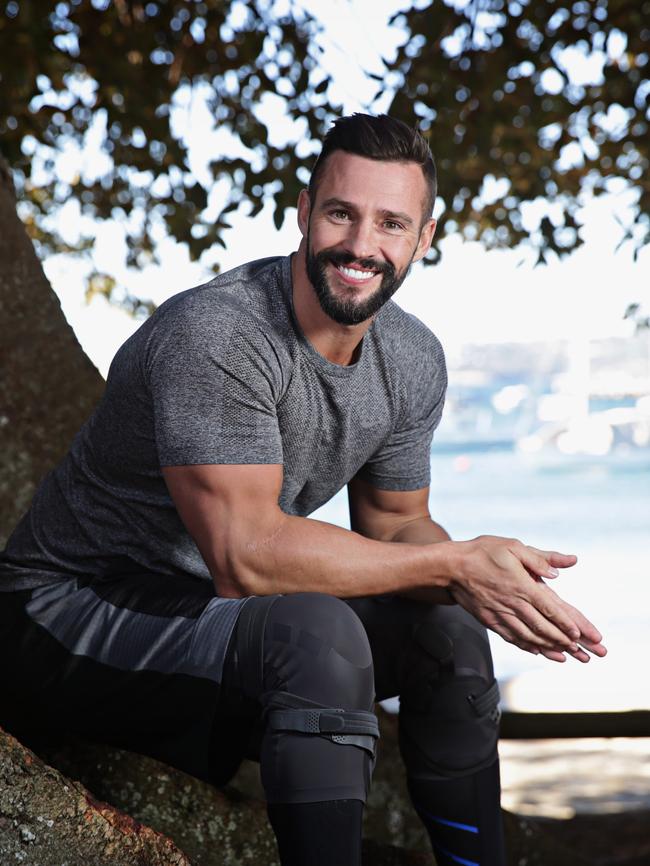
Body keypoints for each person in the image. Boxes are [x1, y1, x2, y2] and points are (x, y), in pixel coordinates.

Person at [0, 113, 606, 866]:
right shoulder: (217, 335)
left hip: (213, 632)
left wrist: (487, 580)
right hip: (64, 617)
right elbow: (248, 557)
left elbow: (396, 527)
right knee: (316, 636)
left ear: (424, 238)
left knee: (448, 633)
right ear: (304, 212)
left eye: (391, 223)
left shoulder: (411, 358)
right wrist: (453, 565)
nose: (361, 245)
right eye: (341, 214)